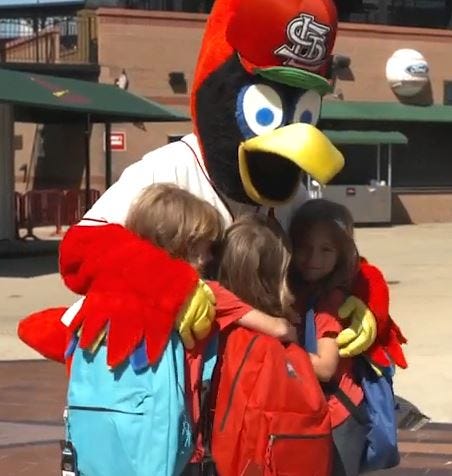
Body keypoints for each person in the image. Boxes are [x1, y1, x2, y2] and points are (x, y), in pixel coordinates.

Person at [288, 199, 377, 476]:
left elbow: (325, 367)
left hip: (338, 415)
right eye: (304, 248)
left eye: (326, 250)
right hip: (323, 411)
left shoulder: (330, 301)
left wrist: (276, 349)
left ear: (342, 255)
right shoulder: (303, 291)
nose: (313, 259)